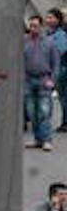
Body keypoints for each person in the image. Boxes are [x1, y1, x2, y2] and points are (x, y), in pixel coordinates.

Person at [25, 12, 60, 151]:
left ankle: (47, 140)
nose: (33, 29)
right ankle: (37, 139)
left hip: (44, 80)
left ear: (41, 27)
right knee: (32, 112)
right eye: (31, 26)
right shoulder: (24, 41)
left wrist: (53, 81)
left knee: (44, 112)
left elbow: (56, 64)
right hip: (28, 80)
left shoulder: (49, 43)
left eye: (36, 26)